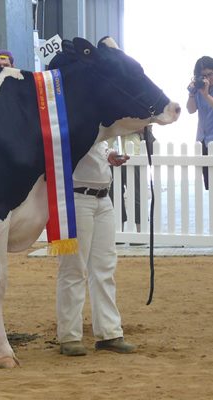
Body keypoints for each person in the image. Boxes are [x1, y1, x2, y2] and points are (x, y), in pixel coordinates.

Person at [56, 141, 136, 356]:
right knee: (73, 268)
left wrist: (108, 152)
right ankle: (69, 336)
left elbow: (96, 144)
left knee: (104, 267)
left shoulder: (96, 123)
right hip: (75, 198)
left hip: (102, 197)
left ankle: (109, 332)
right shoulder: (65, 117)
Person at [187, 56, 213, 190]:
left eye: (210, 74)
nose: (208, 78)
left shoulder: (205, 92)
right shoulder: (198, 89)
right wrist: (192, 94)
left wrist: (206, 95)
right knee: (209, 185)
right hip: (203, 141)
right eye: (204, 76)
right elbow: (190, 110)